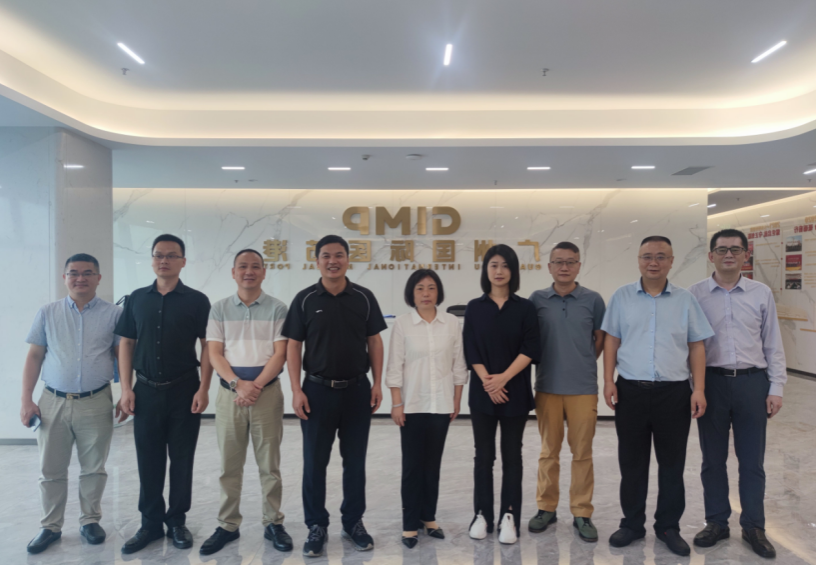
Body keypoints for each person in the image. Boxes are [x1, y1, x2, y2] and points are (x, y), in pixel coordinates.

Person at [601, 235, 713, 557]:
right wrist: (608, 381)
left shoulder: (685, 299)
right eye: (647, 256)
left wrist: (699, 389)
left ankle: (668, 526)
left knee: (672, 465)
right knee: (631, 463)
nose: (654, 262)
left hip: (673, 393)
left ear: (671, 261)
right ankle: (632, 524)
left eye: (661, 256)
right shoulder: (622, 296)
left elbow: (696, 345)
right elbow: (611, 340)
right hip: (631, 391)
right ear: (638, 260)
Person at [282, 235, 387, 557]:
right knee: (314, 463)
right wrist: (296, 389)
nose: (333, 261)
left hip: (357, 390)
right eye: (326, 256)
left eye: (339, 255)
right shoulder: (304, 299)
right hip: (316, 391)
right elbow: (293, 346)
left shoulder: (364, 297)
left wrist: (377, 383)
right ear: (317, 261)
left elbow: (375, 341)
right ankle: (316, 525)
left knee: (355, 463)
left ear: (347, 260)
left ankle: (353, 522)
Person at [688, 229, 786, 559]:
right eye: (722, 249)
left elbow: (773, 343)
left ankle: (754, 526)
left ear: (746, 254)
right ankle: (716, 522)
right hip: (711, 384)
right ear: (711, 255)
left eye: (735, 249)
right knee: (712, 459)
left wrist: (776, 388)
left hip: (752, 383)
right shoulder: (696, 294)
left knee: (752, 460)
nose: (728, 254)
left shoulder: (761, 293)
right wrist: (694, 388)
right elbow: (690, 345)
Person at [115, 234, 213, 554]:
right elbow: (126, 343)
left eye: (171, 255)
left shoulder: (197, 300)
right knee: (149, 460)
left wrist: (203, 388)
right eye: (158, 255)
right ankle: (150, 524)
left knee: (182, 459)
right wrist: (126, 388)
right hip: (145, 391)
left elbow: (208, 346)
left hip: (185, 389)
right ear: (152, 260)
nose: (164, 260)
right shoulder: (136, 299)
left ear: (183, 261)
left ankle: (177, 521)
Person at [21, 254, 122, 554]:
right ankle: (50, 526)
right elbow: (34, 356)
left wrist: (128, 392)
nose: (81, 278)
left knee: (94, 467)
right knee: (51, 468)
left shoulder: (114, 314)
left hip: (96, 400)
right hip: (52, 401)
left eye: (88, 273)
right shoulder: (47, 312)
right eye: (74, 273)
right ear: (64, 277)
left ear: (98, 278)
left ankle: (90, 520)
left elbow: (122, 356)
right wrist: (26, 399)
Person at [199, 249, 293, 555]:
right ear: (233, 272)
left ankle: (273, 522)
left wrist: (255, 387)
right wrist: (237, 384)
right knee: (229, 465)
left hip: (267, 395)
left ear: (264, 272)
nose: (248, 271)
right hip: (229, 396)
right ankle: (228, 524)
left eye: (255, 267)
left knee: (269, 465)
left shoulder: (278, 308)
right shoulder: (219, 308)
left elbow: (280, 354)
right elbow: (214, 352)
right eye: (243, 266)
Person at [527, 242, 605, 543]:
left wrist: (582, 361)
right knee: (549, 452)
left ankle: (582, 511)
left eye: (570, 262)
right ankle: (546, 508)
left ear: (578, 266)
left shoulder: (593, 300)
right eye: (558, 262)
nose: (564, 267)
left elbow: (600, 339)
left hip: (583, 388)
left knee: (582, 453)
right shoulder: (536, 300)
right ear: (549, 266)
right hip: (547, 386)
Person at [463, 244, 541, 545]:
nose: (499, 271)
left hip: (514, 392)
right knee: (483, 456)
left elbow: (531, 348)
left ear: (513, 271)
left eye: (505, 265)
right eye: (493, 265)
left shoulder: (525, 308)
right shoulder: (475, 307)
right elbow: (470, 347)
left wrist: (503, 379)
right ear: (486, 270)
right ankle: (481, 514)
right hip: (482, 393)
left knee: (512, 456)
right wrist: (488, 382)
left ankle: (509, 516)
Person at [386, 269, 467, 549]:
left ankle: (428, 517)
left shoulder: (451, 323)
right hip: (411, 405)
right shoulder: (403, 324)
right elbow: (394, 367)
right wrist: (397, 403)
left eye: (431, 288)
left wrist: (456, 399)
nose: (426, 294)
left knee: (432, 465)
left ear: (438, 292)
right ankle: (410, 523)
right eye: (420, 288)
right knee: (412, 466)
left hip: (441, 404)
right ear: (412, 293)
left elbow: (459, 364)